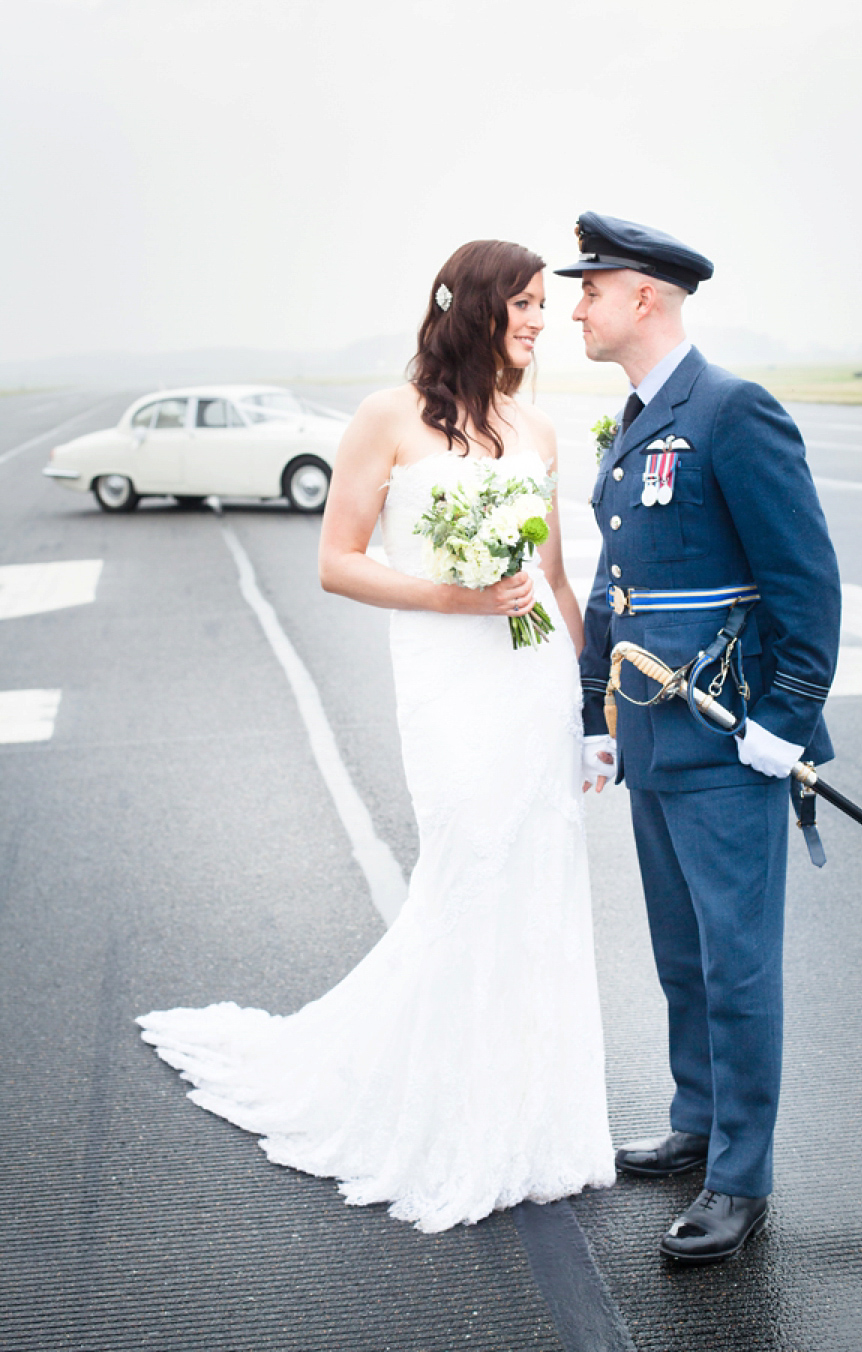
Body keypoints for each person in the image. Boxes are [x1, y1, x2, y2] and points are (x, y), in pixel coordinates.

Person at [137, 239, 616, 1234]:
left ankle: (532, 1119)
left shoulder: (536, 427)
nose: (539, 321)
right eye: (524, 304)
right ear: (472, 307)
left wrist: (591, 697)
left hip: (532, 689)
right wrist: (453, 593)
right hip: (451, 685)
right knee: (469, 869)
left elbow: (558, 577)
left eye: (542, 305)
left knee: (538, 884)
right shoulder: (388, 418)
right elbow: (337, 561)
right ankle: (442, 1113)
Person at [561, 211, 841, 1263]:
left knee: (737, 965)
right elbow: (615, 582)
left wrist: (786, 717)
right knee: (683, 954)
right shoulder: (636, 418)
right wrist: (596, 714)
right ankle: (696, 1121)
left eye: (593, 287)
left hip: (729, 742)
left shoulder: (731, 411)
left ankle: (740, 1175)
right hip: (651, 735)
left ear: (647, 298)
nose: (577, 306)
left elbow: (804, 583)